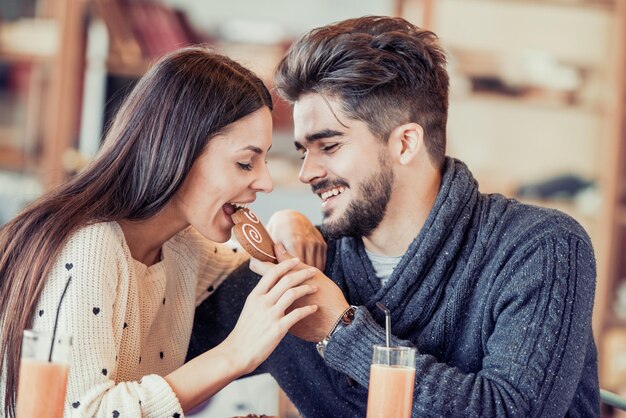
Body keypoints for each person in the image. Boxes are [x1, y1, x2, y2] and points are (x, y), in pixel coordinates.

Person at [188, 16, 599, 417]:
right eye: (302, 151)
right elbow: (154, 356)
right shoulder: (302, 265)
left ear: (405, 143)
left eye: (328, 146)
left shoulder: (541, 248)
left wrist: (340, 331)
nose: (306, 172)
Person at [0, 46, 327, 418]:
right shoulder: (90, 247)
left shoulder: (182, 247)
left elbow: (257, 264)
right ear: (180, 149)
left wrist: (288, 221)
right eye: (244, 162)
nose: (265, 182)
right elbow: (81, 413)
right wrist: (235, 353)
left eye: (264, 161)